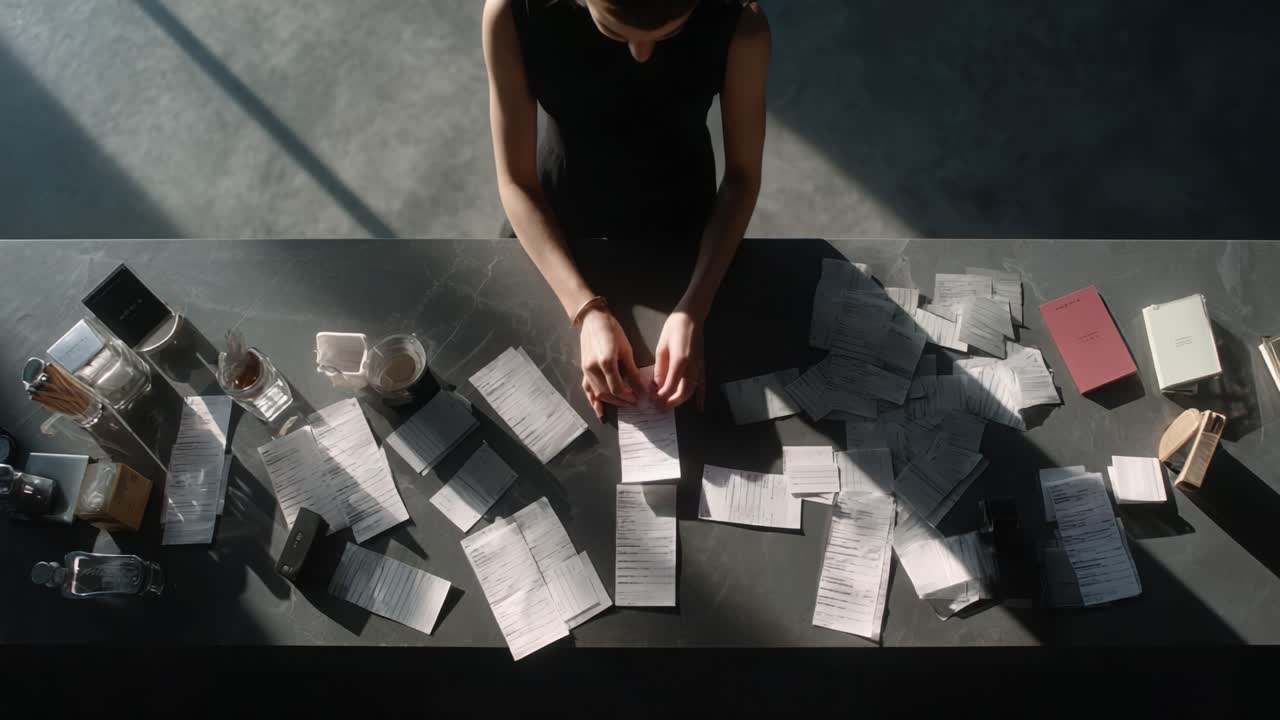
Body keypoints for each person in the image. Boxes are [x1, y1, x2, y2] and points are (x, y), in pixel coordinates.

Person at [482, 0, 770, 418]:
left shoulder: (740, 21)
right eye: (613, 33)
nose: (641, 55)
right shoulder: (514, 12)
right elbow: (517, 182)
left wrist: (694, 306)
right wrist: (585, 310)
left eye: (670, 34)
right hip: (558, 224)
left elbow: (742, 176)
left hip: (686, 231)